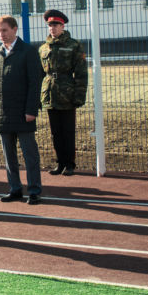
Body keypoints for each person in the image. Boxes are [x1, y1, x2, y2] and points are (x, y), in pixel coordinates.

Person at [0, 15, 44, 205]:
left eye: (4, 30)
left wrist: (31, 110)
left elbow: (34, 83)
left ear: (14, 29)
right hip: (3, 112)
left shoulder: (28, 52)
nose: (1, 34)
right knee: (8, 155)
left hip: (23, 113)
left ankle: (34, 190)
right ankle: (15, 189)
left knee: (30, 155)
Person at [38, 9, 88, 176]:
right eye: (50, 25)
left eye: (56, 25)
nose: (52, 28)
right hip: (50, 92)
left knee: (68, 130)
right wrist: (39, 97)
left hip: (67, 92)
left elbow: (81, 72)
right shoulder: (44, 48)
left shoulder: (73, 45)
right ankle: (59, 163)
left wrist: (79, 95)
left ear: (63, 25)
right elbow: (40, 73)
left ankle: (70, 164)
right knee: (55, 132)